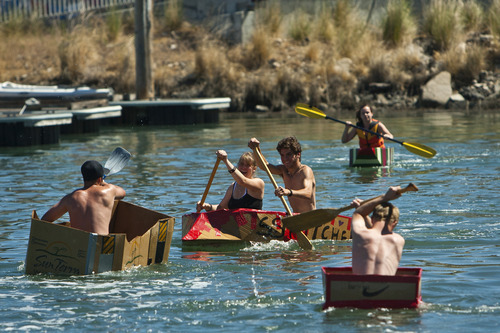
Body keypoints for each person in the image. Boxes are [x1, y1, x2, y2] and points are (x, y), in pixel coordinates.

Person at [41, 160, 126, 235]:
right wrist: (104, 182)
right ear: (100, 179)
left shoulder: (70, 198)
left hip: (80, 246)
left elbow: (44, 220)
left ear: (83, 178)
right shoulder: (108, 191)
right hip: (102, 245)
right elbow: (122, 193)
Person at [248, 136, 315, 214]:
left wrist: (288, 192)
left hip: (311, 217)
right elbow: (264, 166)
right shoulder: (284, 170)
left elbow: (308, 193)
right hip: (296, 217)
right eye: (282, 155)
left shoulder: (305, 170)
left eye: (288, 154)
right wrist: (256, 149)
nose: (285, 158)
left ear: (298, 154)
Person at [351, 186, 404, 275]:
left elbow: (359, 213)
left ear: (372, 219)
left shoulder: (360, 233)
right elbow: (378, 234)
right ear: (395, 222)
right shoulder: (399, 240)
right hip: (385, 287)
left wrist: (385, 198)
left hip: (359, 286)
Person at [196, 150, 265, 212]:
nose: (244, 167)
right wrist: (207, 206)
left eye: (247, 165)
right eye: (241, 164)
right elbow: (220, 208)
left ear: (254, 168)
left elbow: (243, 181)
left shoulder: (259, 183)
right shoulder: (232, 187)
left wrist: (225, 160)